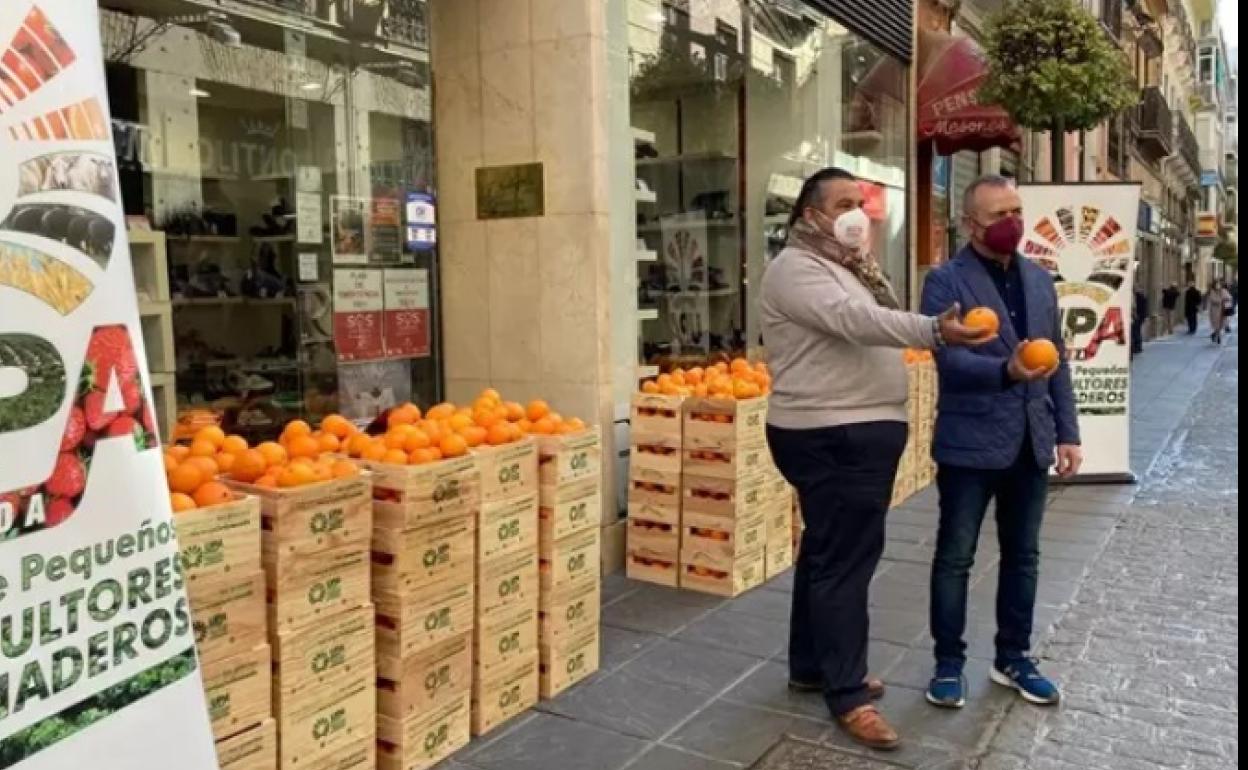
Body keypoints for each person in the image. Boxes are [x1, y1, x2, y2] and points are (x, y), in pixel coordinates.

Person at [760, 167, 993, 751]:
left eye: (859, 201)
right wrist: (932, 331)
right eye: (842, 203)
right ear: (809, 214)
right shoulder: (797, 269)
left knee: (825, 550)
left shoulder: (843, 267)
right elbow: (857, 322)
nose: (855, 212)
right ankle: (848, 694)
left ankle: (813, 666)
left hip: (851, 428)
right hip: (831, 432)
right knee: (848, 561)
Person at [920, 175, 1082, 710]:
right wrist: (1006, 372)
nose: (1012, 221)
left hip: (1029, 444)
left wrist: (1068, 433)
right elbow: (950, 359)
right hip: (969, 443)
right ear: (971, 224)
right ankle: (948, 662)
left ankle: (1014, 657)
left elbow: (1054, 359)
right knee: (955, 557)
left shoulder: (1039, 279)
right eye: (998, 214)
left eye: (1017, 208)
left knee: (1024, 557)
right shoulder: (945, 281)